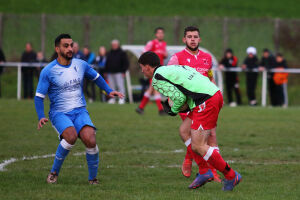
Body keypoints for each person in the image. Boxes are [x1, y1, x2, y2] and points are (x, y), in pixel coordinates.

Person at [138, 51, 242, 191]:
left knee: (199, 145)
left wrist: (172, 110)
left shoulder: (156, 78)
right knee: (184, 131)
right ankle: (205, 172)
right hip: (212, 94)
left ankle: (231, 175)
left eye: (141, 67)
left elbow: (179, 99)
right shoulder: (175, 68)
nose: (142, 71)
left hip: (205, 100)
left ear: (148, 67)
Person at [34, 34, 123, 184]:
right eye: (66, 46)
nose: (70, 48)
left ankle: (92, 179)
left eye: (71, 45)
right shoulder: (48, 71)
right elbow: (39, 97)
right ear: (57, 49)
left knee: (90, 139)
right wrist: (40, 115)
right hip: (59, 113)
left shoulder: (81, 64)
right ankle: (54, 173)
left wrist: (108, 90)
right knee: (71, 136)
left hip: (80, 111)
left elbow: (96, 77)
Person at [167, 26, 219, 181]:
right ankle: (198, 164)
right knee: (190, 133)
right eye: (189, 36)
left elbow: (210, 77)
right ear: (184, 39)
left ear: (199, 39)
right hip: (186, 104)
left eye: (195, 36)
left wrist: (217, 93)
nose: (193, 39)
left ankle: (210, 170)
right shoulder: (176, 58)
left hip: (206, 102)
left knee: (211, 136)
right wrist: (172, 98)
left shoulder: (207, 58)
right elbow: (168, 79)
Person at [136, 27, 167, 115]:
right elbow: (143, 53)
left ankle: (140, 108)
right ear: (156, 34)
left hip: (160, 69)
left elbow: (164, 55)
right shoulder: (151, 43)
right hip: (152, 69)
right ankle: (161, 110)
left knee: (151, 88)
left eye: (162, 33)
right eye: (159, 33)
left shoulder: (164, 44)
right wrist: (146, 66)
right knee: (155, 88)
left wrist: (165, 54)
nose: (160, 34)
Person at [105, 39, 129, 104]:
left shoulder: (122, 53)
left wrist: (124, 71)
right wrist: (106, 71)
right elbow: (107, 63)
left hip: (119, 72)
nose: (114, 46)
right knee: (111, 87)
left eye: (115, 45)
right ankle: (112, 99)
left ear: (118, 45)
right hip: (110, 72)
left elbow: (126, 63)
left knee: (120, 86)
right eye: (113, 45)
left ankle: (122, 99)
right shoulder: (109, 53)